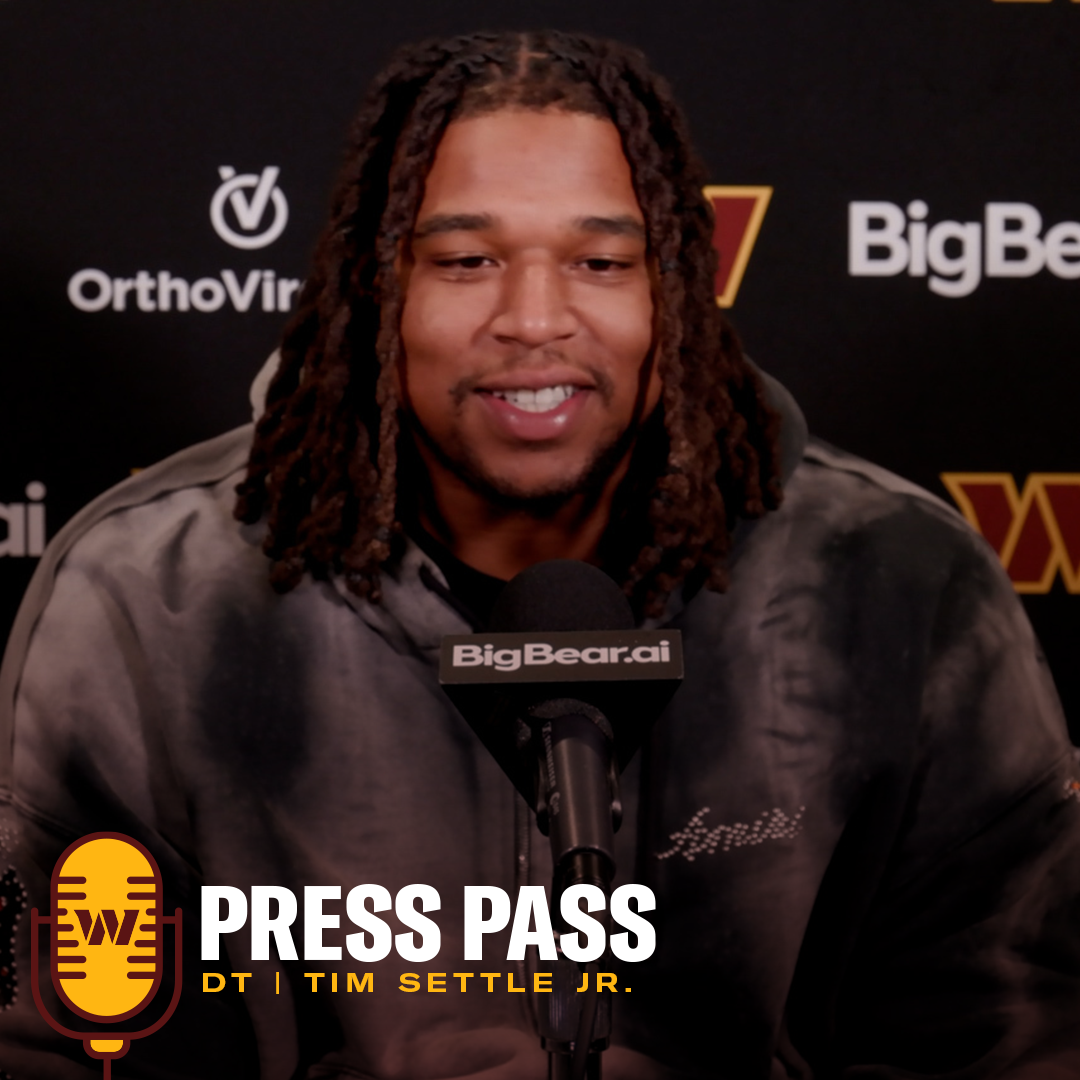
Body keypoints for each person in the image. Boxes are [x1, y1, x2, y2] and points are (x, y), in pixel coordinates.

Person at [1, 29, 1078, 1080]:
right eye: (466, 261)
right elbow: (58, 1044)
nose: (533, 319)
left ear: (674, 293)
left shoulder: (896, 582)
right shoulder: (150, 595)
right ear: (377, 286)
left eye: (600, 262)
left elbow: (1014, 1037)